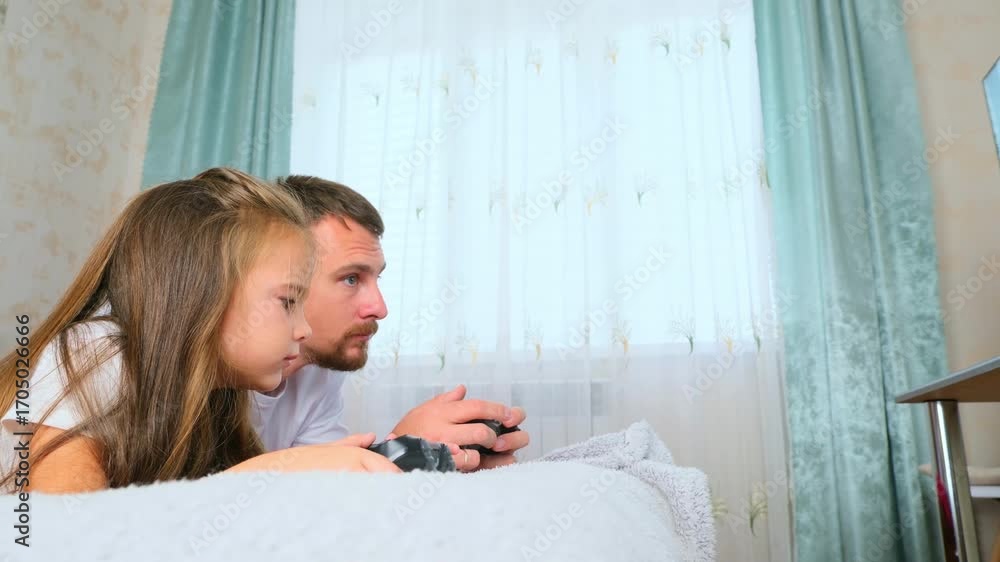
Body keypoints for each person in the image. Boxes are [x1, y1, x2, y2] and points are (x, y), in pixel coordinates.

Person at [0, 168, 402, 495]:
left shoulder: (218, 392)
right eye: (288, 301)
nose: (304, 329)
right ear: (207, 297)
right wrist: (272, 472)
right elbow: (60, 535)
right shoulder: (94, 354)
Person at [252, 175, 530, 471]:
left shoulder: (319, 374)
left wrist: (421, 454)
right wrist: (399, 449)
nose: (380, 309)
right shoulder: (229, 373)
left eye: (377, 277)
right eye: (351, 279)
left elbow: (320, 479)